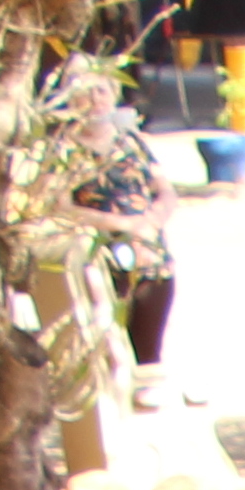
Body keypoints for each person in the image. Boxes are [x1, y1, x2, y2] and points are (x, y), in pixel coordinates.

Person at [55, 65, 178, 406]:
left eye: (102, 92)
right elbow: (62, 206)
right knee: (133, 261)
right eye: (85, 93)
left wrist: (156, 214)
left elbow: (164, 189)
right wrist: (119, 224)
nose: (94, 101)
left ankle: (149, 368)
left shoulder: (131, 141)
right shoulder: (65, 149)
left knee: (154, 262)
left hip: (145, 232)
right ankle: (137, 369)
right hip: (102, 237)